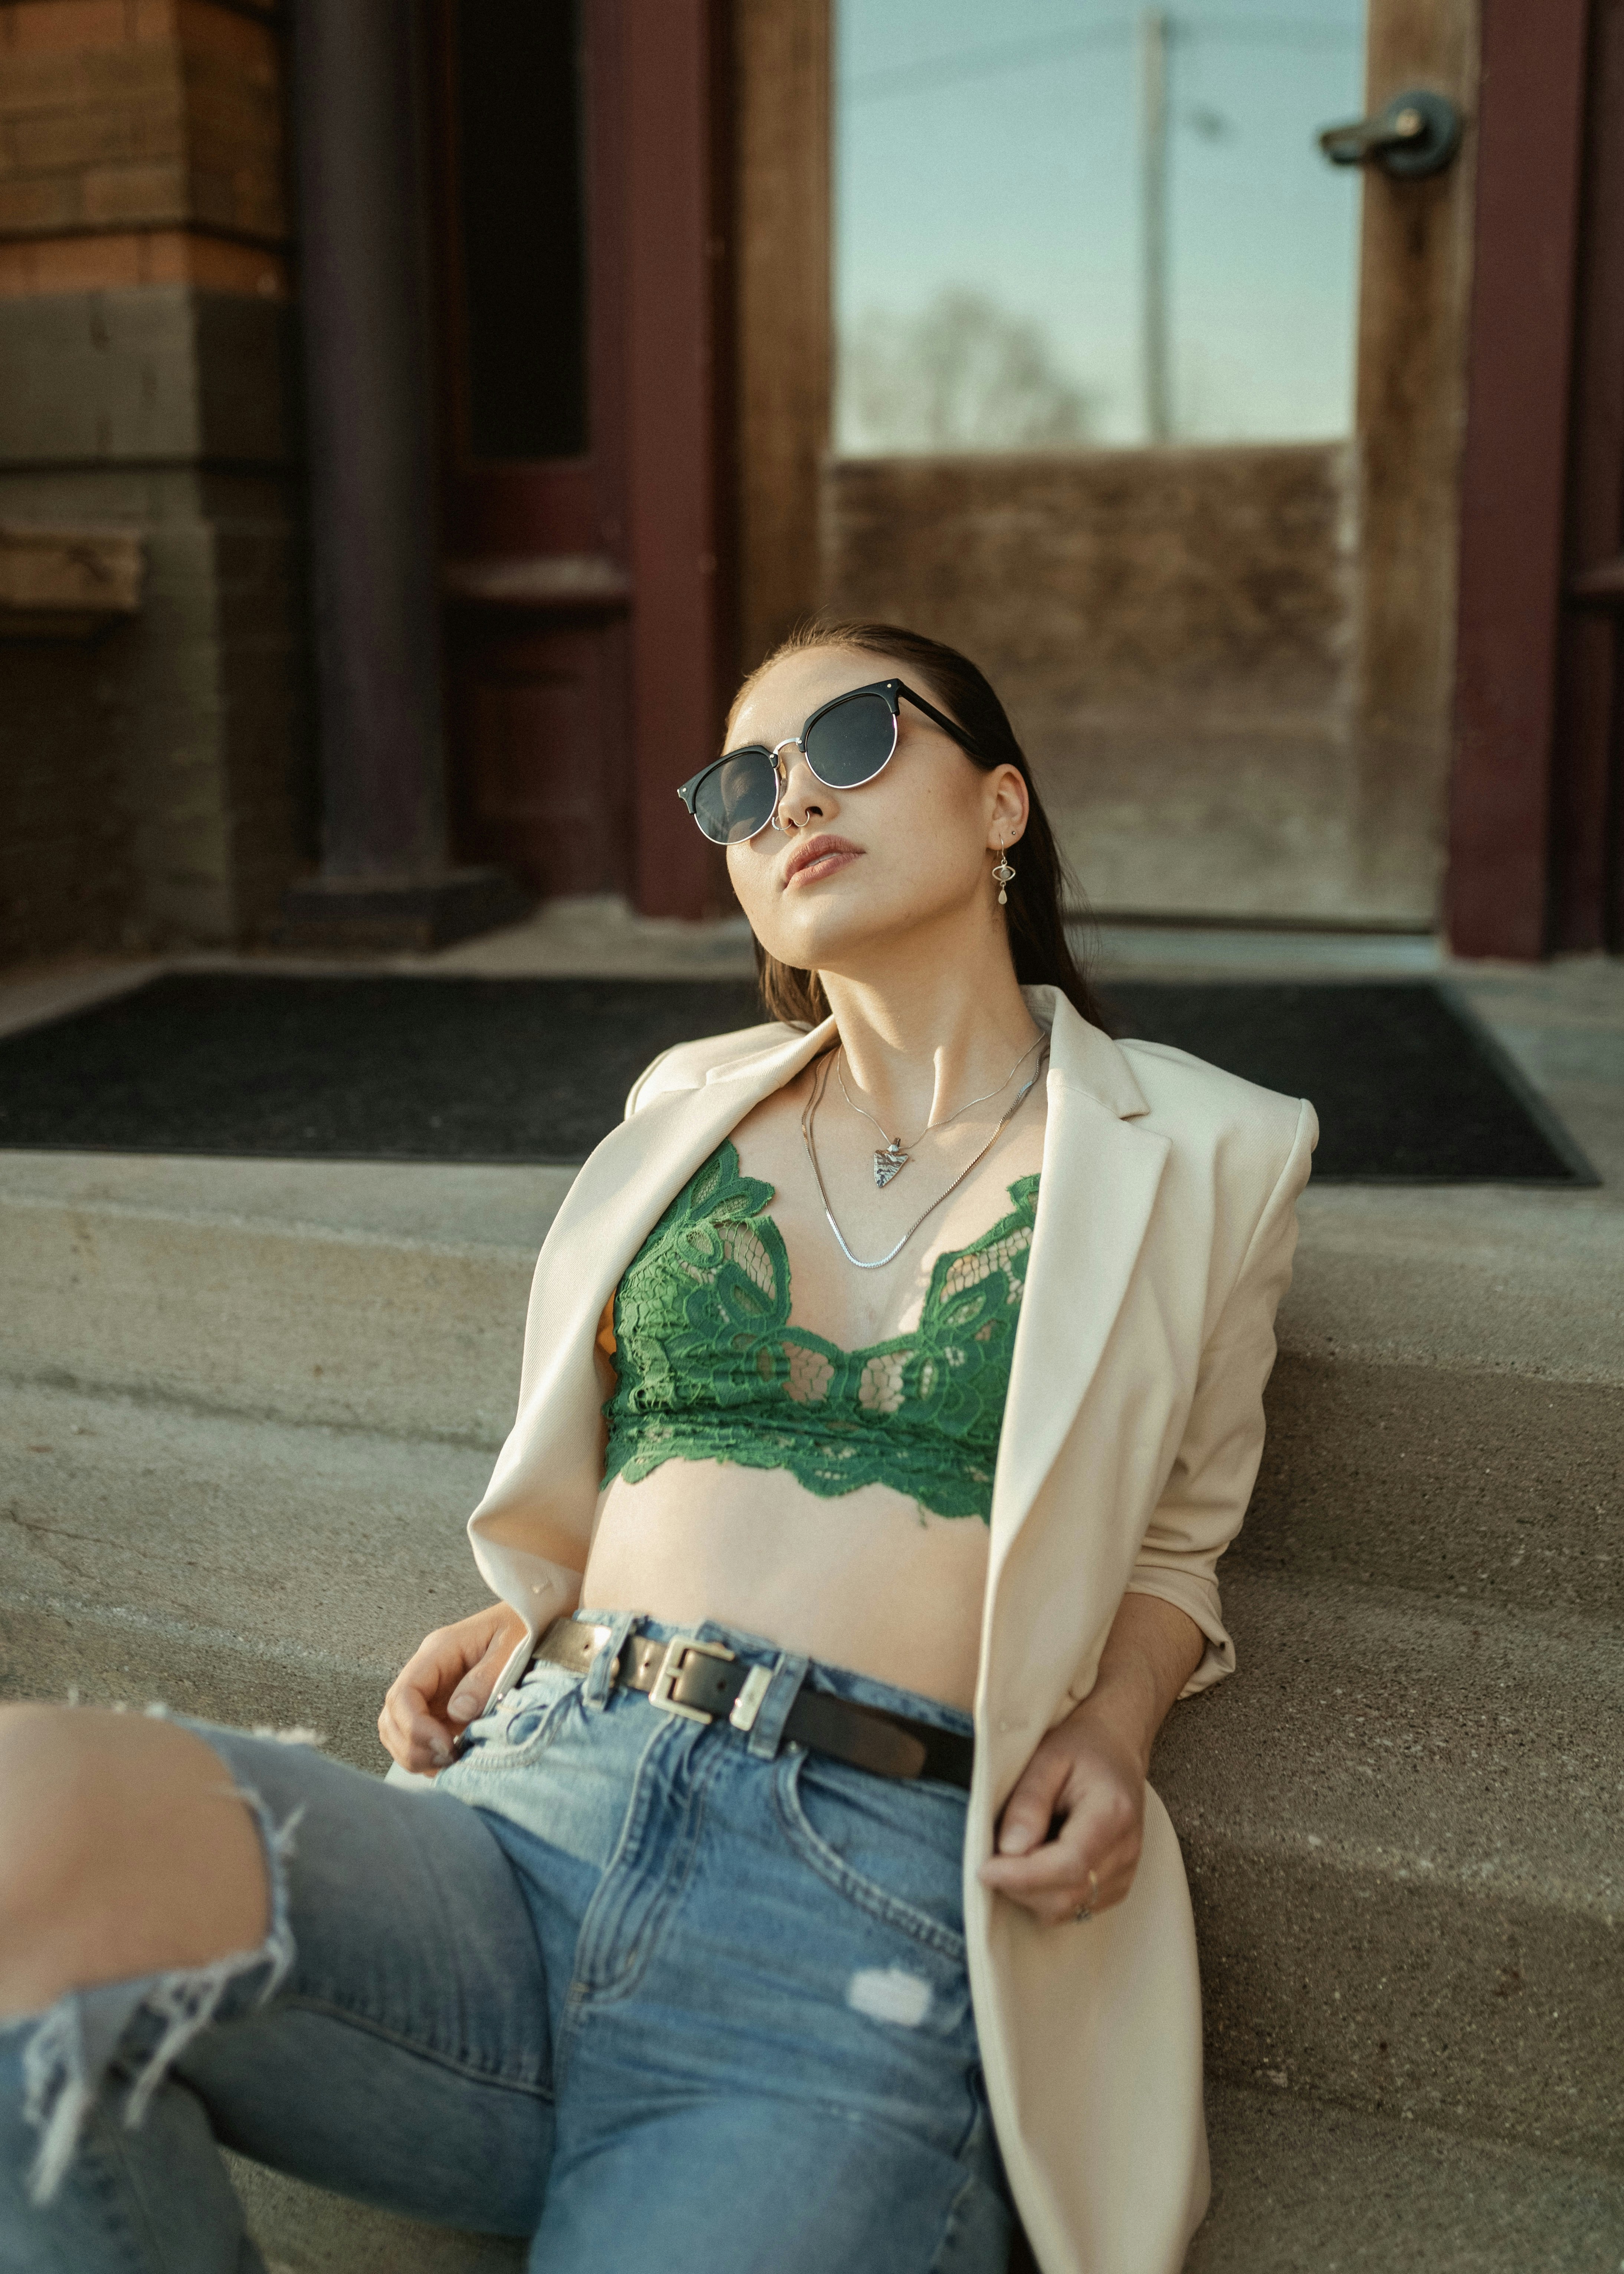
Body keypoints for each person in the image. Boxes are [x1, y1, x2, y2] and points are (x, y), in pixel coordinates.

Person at [0, 620, 1315, 2274]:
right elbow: (621, 1448)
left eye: (849, 740)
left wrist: (1113, 1733)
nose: (787, 802)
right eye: (740, 785)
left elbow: (1178, 1540)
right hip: (537, 1803)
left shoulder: (1213, 1145)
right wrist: (533, 1604)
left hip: (865, 1899)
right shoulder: (688, 1096)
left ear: (1001, 804)